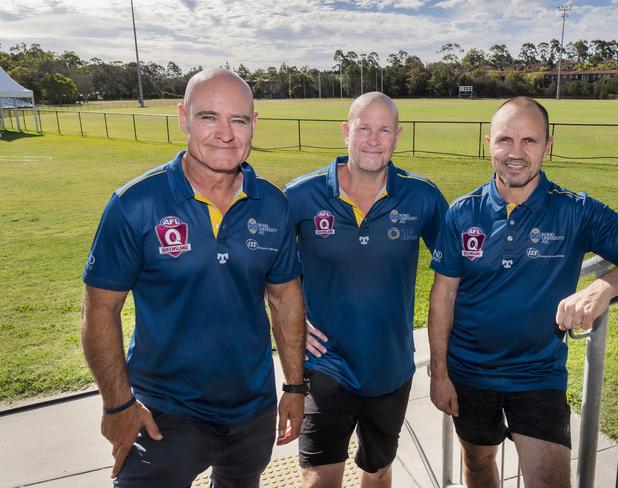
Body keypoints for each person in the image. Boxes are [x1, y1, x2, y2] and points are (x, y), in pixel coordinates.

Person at [80, 68, 307, 488]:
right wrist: (117, 405)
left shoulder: (273, 205)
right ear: (183, 118)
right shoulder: (135, 204)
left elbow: (285, 297)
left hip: (252, 412)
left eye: (238, 120)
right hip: (165, 413)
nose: (225, 133)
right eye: (209, 117)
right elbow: (99, 308)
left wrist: (294, 387)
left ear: (253, 125)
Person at [428, 96, 618, 488]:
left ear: (548, 145)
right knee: (478, 465)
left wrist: (603, 287)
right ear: (488, 143)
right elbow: (443, 296)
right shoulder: (462, 212)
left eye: (529, 141)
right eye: (505, 140)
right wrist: (440, 373)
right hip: (469, 373)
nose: (516, 153)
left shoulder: (575, 210)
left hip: (538, 375)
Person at [285, 92, 448, 487]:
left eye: (384, 129)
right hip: (325, 364)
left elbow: (461, 269)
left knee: (376, 470)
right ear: (346, 132)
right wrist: (287, 320)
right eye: (363, 128)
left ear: (397, 136)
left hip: (389, 367)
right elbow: (255, 267)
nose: (373, 139)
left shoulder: (422, 196)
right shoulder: (300, 196)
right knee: (318, 479)